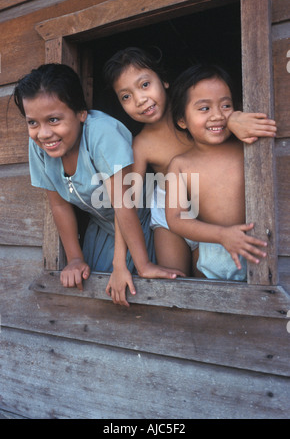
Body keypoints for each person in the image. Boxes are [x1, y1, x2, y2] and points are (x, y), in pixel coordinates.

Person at [103, 48, 276, 299]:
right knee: (178, 282)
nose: (140, 99)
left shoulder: (198, 108)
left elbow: (216, 110)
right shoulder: (142, 144)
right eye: (126, 96)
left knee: (213, 280)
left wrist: (235, 118)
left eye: (145, 85)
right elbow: (125, 203)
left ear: (164, 81)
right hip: (171, 211)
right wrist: (119, 264)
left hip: (209, 208)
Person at [13, 63, 183, 293]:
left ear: (81, 113)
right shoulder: (40, 147)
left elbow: (123, 204)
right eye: (33, 122)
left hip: (142, 223)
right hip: (102, 227)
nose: (43, 133)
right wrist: (74, 258)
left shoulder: (102, 132)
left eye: (53, 120)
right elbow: (59, 205)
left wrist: (138, 265)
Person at [165, 64, 269, 281]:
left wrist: (236, 120)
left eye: (226, 105)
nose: (217, 116)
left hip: (257, 244)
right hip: (212, 248)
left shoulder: (248, 146)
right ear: (182, 120)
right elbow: (175, 218)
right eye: (204, 108)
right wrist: (222, 236)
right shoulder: (180, 164)